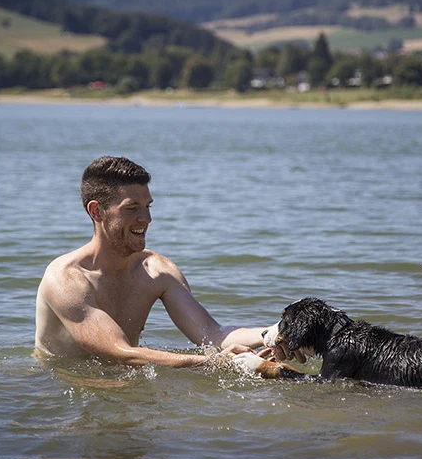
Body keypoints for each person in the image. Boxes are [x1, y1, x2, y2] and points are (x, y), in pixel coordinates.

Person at [34, 155, 271, 368]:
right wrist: (214, 362)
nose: (146, 218)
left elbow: (212, 335)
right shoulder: (66, 279)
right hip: (59, 389)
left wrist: (276, 334)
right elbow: (118, 352)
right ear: (97, 212)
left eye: (147, 206)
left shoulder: (157, 271)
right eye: (132, 208)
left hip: (123, 384)